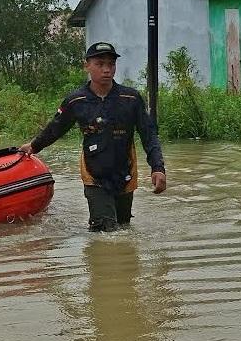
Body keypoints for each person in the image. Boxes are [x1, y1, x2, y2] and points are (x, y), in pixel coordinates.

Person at [18, 42, 166, 232]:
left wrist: (158, 167)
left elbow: (149, 134)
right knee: (105, 230)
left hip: (125, 172)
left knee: (123, 228)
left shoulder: (131, 99)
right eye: (100, 64)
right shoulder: (76, 100)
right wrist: (34, 146)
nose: (106, 69)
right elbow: (56, 128)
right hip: (93, 172)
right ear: (87, 65)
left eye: (111, 64)